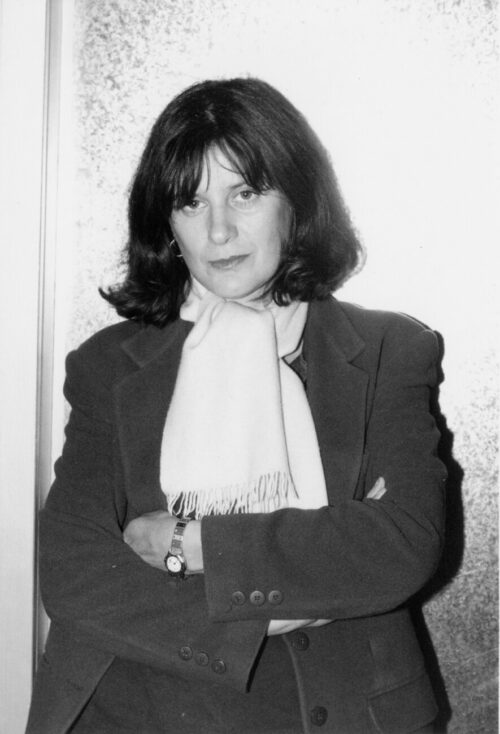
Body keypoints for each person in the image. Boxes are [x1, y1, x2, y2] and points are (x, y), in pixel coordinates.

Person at [26, 78, 446, 734]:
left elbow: (403, 544)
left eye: (245, 193)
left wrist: (192, 545)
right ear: (166, 224)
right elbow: (75, 572)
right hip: (138, 707)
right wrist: (289, 594)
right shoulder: (110, 365)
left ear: (296, 202)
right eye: (191, 202)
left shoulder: (389, 351)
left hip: (336, 710)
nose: (218, 230)